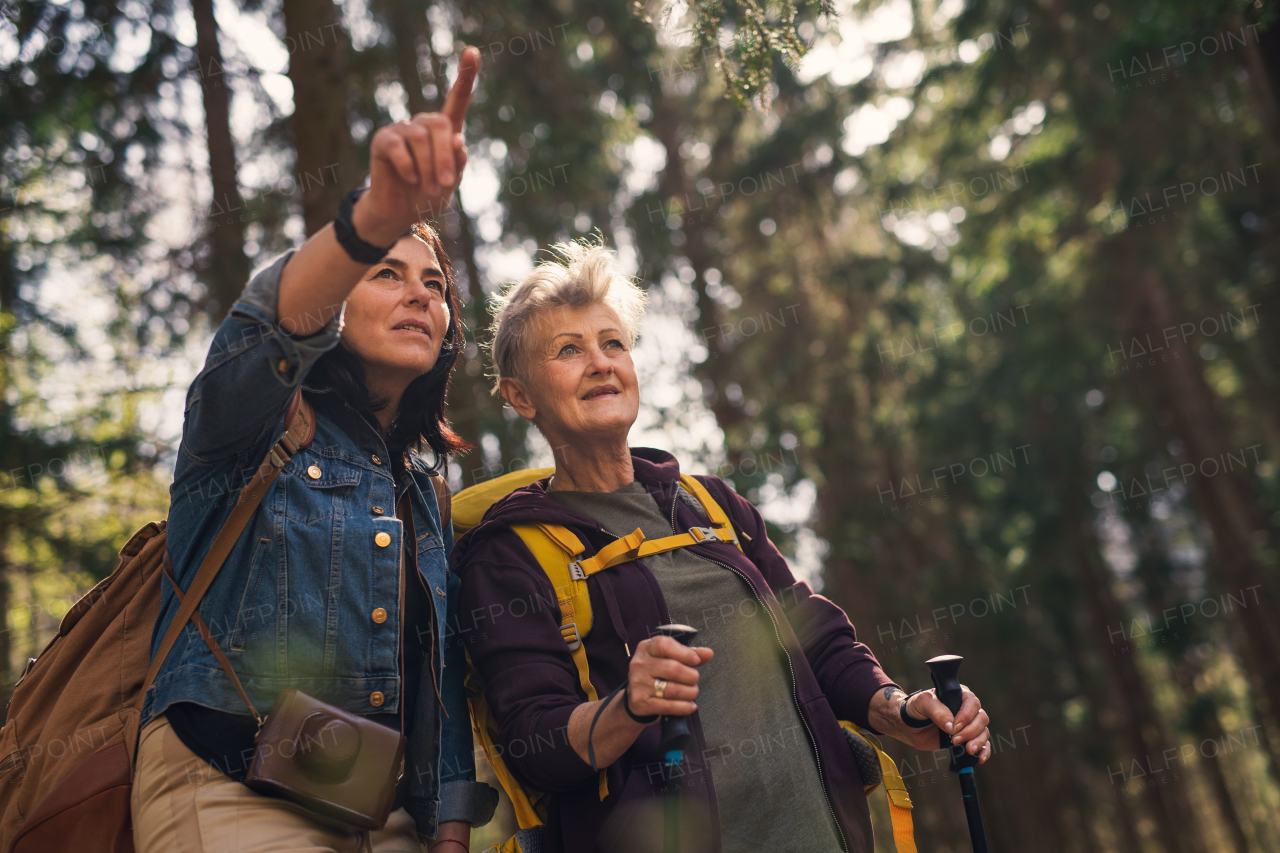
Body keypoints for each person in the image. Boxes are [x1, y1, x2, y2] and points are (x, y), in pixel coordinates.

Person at [454, 242, 992, 853]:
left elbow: (814, 638)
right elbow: (534, 745)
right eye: (568, 350)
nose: (601, 363)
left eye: (613, 343)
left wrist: (900, 710)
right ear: (520, 396)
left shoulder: (710, 505)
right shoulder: (510, 554)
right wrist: (629, 706)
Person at [133, 47, 495, 853]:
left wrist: (450, 829)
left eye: (434, 284)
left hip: (378, 813)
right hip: (226, 786)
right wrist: (376, 217)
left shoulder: (424, 495)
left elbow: (438, 691)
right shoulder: (251, 420)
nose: (418, 294)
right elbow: (273, 325)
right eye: (386, 273)